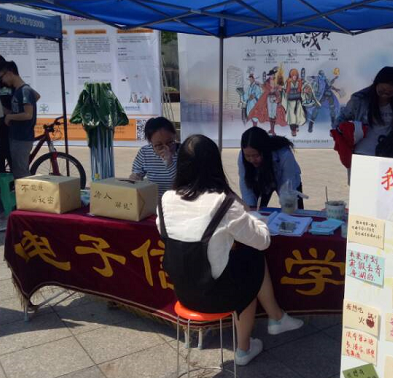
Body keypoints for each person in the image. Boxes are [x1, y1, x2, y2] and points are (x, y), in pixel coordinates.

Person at [157, 134, 303, 365]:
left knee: (244, 260)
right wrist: (252, 215)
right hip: (218, 296)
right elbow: (263, 240)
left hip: (183, 292)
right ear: (215, 164)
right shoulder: (224, 202)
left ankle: (277, 318)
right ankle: (245, 348)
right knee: (253, 260)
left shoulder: (165, 199)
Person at [336, 66, 393, 157]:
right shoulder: (360, 99)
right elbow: (342, 118)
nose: (385, 94)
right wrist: (341, 132)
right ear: (376, 84)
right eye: (382, 90)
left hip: (387, 154)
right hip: (362, 153)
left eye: (389, 92)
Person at [238, 126, 303, 209]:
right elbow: (246, 187)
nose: (252, 160)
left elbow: (288, 184)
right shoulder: (242, 157)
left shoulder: (284, 155)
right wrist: (251, 209)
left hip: (287, 182)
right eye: (247, 156)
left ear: (264, 150)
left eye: (256, 155)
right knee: (254, 209)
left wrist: (288, 208)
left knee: (294, 211)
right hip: (260, 180)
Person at [0, 61, 37, 179]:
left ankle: (25, 191)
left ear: (9, 73)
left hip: (22, 137)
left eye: (2, 77)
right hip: (16, 136)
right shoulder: (20, 90)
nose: (2, 81)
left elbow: (28, 114)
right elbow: (36, 96)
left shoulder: (24, 90)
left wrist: (10, 117)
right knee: (18, 170)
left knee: (21, 173)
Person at [129, 117, 179, 199]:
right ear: (151, 143)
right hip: (154, 200)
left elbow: (183, 183)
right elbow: (136, 174)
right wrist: (135, 178)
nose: (166, 148)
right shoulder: (145, 152)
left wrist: (170, 163)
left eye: (170, 142)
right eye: (159, 145)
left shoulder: (184, 151)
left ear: (174, 136)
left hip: (176, 201)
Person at [285, 68, 306, 136]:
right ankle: (293, 130)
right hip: (290, 102)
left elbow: (301, 90)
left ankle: (296, 126)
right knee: (292, 117)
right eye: (293, 75)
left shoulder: (299, 81)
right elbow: (285, 91)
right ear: (291, 76)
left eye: (296, 75)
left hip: (298, 101)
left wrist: (304, 91)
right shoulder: (288, 82)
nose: (294, 77)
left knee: (298, 115)